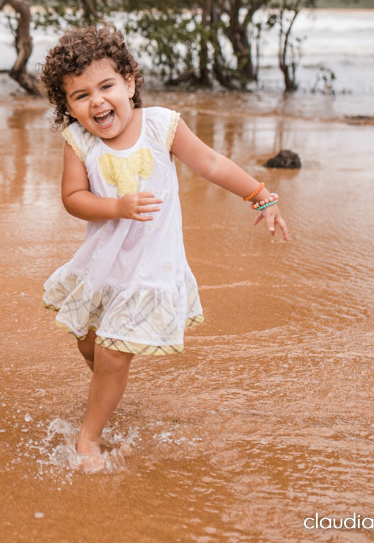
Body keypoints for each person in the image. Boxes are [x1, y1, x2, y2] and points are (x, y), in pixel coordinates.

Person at [38, 25, 289, 471]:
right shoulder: (79, 142)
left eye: (106, 86)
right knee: (90, 344)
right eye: (80, 96)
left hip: (150, 267)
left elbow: (211, 163)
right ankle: (107, 392)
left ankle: (88, 438)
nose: (96, 101)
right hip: (103, 265)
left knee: (114, 355)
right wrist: (115, 205)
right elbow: (73, 199)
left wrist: (260, 194)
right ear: (68, 108)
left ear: (129, 84)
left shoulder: (160, 126)